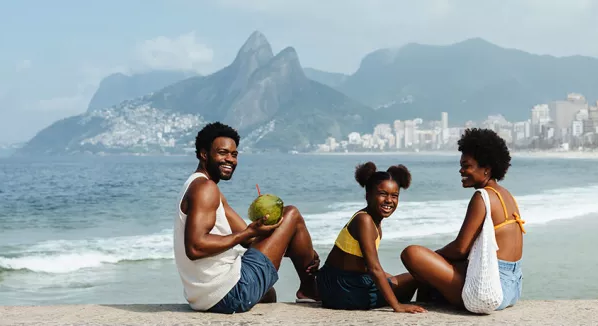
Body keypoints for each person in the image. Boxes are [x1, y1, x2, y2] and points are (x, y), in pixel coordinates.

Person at [175, 122, 321, 314]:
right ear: (204, 154)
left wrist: (298, 249)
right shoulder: (205, 189)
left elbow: (250, 239)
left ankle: (303, 280)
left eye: (234, 155)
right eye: (222, 153)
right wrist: (249, 232)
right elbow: (195, 247)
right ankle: (309, 289)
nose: (230, 159)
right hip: (227, 292)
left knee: (268, 293)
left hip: (203, 298)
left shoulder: (198, 185)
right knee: (291, 214)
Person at [399, 128, 525, 311]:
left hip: (491, 289)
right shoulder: (506, 195)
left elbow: (460, 249)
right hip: (513, 287)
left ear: (486, 170)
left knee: (412, 254)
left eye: (467, 166)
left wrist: (433, 257)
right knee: (430, 273)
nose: (461, 170)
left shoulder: (482, 197)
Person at [316, 162, 426, 313]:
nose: (389, 200)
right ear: (368, 195)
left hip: (341, 282)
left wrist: (388, 279)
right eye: (382, 194)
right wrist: (397, 306)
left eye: (394, 196)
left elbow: (365, 265)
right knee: (415, 279)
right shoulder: (365, 220)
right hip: (343, 289)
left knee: (401, 279)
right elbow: (374, 268)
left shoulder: (372, 220)